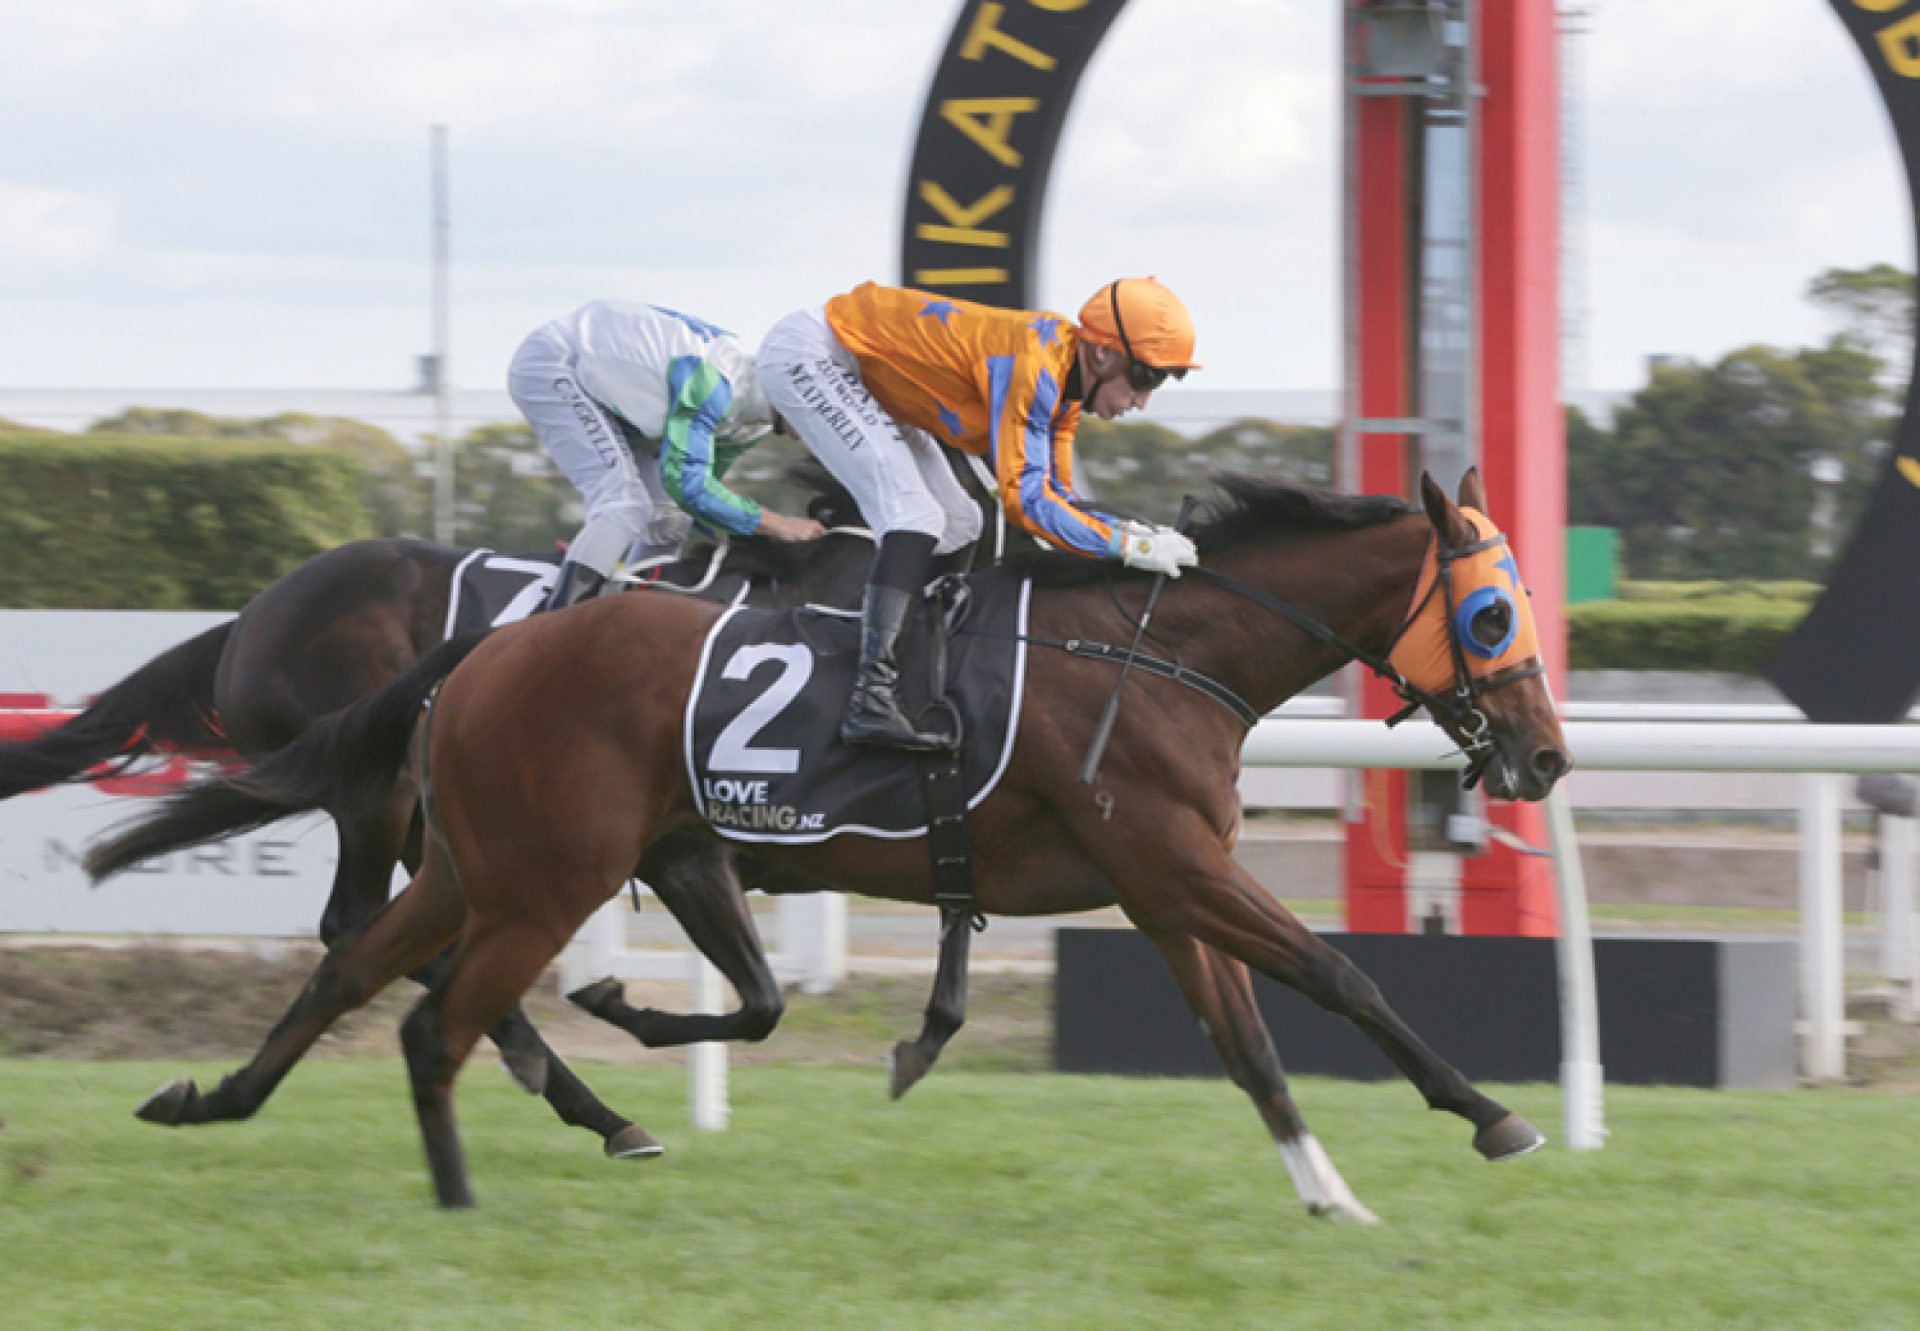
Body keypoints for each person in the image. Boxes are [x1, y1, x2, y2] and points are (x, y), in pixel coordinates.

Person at [758, 276, 1201, 751]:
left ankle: (913, 666)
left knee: (959, 523)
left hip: (869, 380)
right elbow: (1026, 505)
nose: (1142, 400)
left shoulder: (1065, 387)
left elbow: (1059, 501)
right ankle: (871, 696)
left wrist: (1130, 531)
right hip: (816, 354)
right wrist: (1133, 548)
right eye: (1145, 378)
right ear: (1103, 354)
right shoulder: (1035, 366)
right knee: (914, 517)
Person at [508, 300, 825, 612]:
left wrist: (762, 532)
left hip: (613, 394)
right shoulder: (716, 385)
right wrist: (777, 524)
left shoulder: (751, 426)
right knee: (622, 505)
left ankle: (633, 612)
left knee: (670, 520)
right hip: (556, 363)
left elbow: (699, 500)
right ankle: (557, 623)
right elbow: (689, 487)